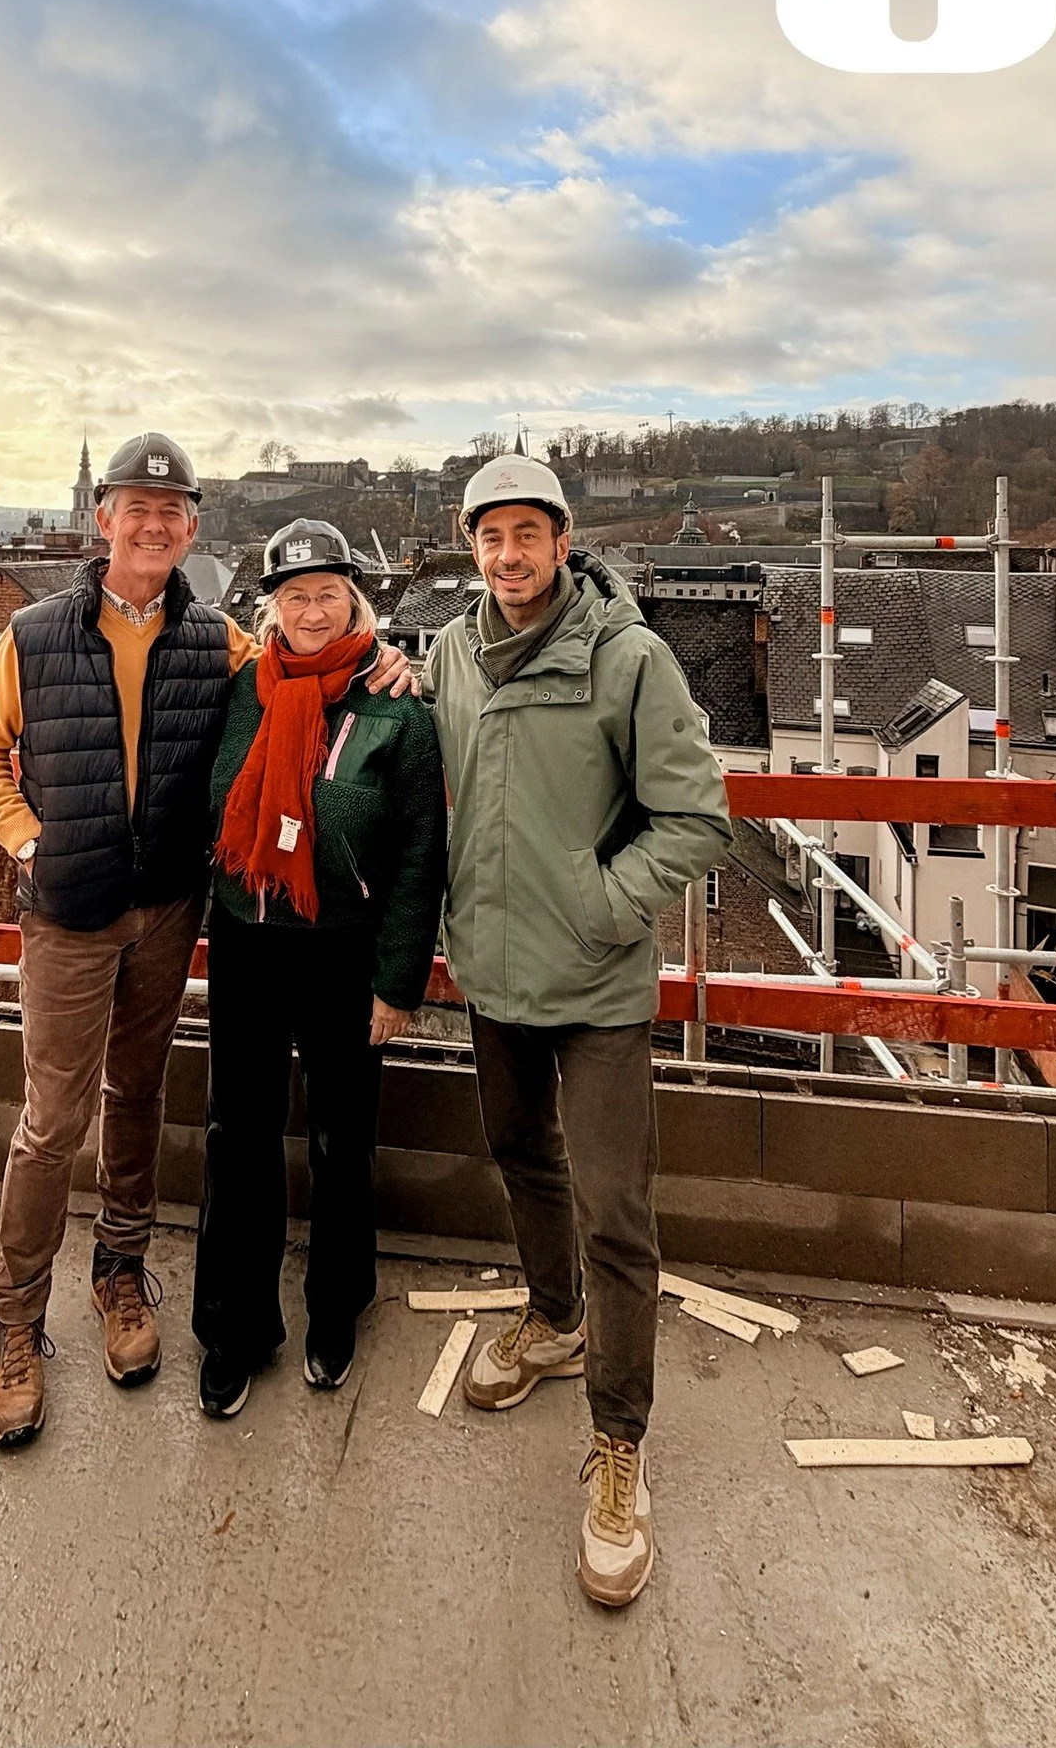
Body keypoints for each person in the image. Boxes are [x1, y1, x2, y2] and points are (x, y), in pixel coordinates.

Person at [0, 436, 413, 1449]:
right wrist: (31, 841)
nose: (154, 523)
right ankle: (15, 1324)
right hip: (70, 914)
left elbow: (305, 657)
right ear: (103, 519)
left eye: (172, 509)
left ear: (193, 528)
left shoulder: (215, 640)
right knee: (49, 1116)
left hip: (166, 908)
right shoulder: (32, 632)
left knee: (140, 1093)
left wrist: (385, 657)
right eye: (135, 505)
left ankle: (121, 1274)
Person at [422, 453, 732, 1608]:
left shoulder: (628, 657)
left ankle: (620, 1447)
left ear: (562, 541)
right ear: (471, 544)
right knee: (521, 1157)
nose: (507, 555)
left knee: (616, 1211)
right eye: (488, 535)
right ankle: (550, 1320)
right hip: (494, 974)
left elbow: (698, 815)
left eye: (527, 534)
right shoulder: (452, 653)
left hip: (597, 983)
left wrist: (603, 903)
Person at [191, 520, 446, 1418]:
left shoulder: (395, 709)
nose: (309, 610)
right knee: (238, 1131)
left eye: (326, 594)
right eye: (293, 595)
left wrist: (397, 982)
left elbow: (421, 853)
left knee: (342, 1138)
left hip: (343, 947)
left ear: (354, 601)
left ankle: (335, 1308)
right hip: (246, 938)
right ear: (270, 608)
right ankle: (234, 1326)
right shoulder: (241, 694)